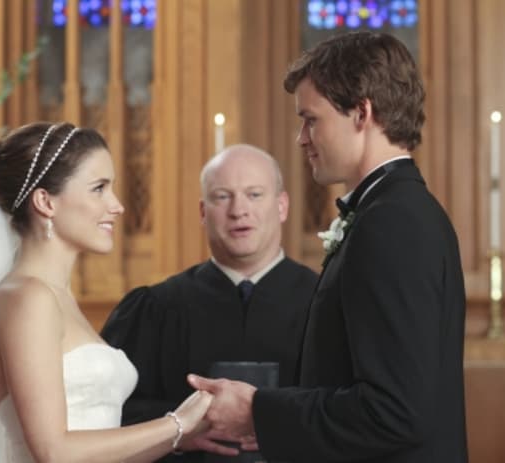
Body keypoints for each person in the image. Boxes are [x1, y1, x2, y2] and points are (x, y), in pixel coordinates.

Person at [188, 32, 469, 463]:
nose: (301, 138)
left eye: (311, 119)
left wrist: (257, 411)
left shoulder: (392, 222)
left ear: (362, 112)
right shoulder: (393, 209)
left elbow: (395, 411)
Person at [0, 121, 212, 463]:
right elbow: (53, 451)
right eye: (99, 188)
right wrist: (177, 423)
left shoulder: (54, 296)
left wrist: (178, 437)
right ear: (45, 201)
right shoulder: (26, 298)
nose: (117, 205)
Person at [101, 144, 318, 462]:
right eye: (222, 196)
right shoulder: (157, 307)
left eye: (254, 194)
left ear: (282, 206)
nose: (239, 210)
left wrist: (281, 423)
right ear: (203, 212)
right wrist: (178, 429)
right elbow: (107, 412)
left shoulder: (325, 302)